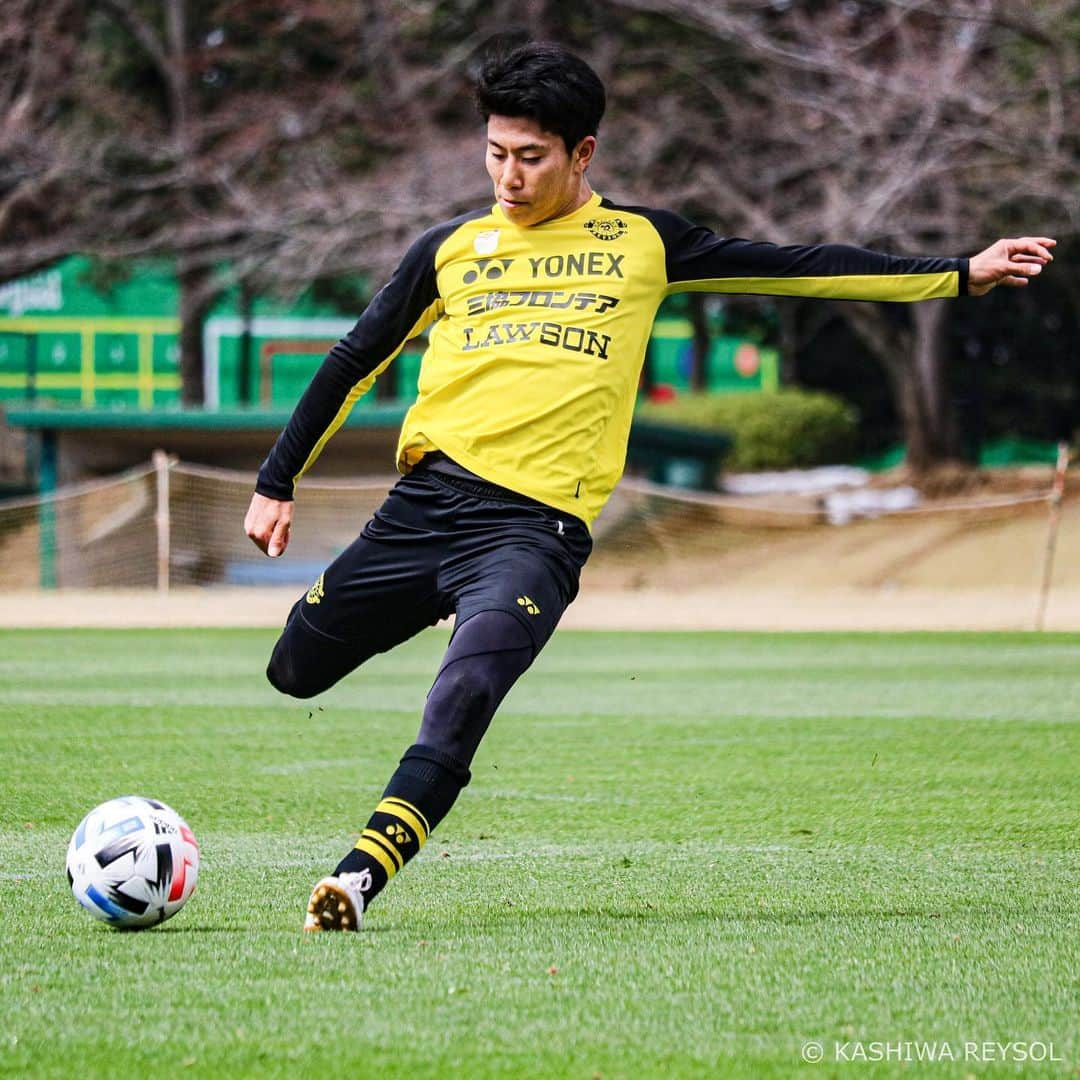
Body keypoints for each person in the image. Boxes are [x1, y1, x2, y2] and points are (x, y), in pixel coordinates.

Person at [244, 42, 1055, 931]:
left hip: (533, 534)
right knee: (295, 669)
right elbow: (353, 362)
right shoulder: (449, 250)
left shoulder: (642, 243)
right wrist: (277, 480)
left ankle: (357, 878)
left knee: (465, 692)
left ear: (583, 153)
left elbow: (797, 265)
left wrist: (958, 273)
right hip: (426, 506)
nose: (508, 176)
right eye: (495, 152)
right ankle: (439, 600)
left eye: (531, 156)